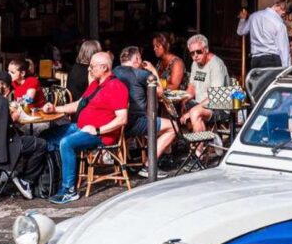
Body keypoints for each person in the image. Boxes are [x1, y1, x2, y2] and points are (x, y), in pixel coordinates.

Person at [42, 51, 129, 205]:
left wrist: (97, 130)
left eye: (92, 66)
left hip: (99, 134)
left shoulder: (117, 87)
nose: (89, 69)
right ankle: (51, 180)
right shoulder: (95, 84)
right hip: (81, 127)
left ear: (104, 68)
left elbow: (122, 119)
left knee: (66, 143)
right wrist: (55, 109)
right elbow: (78, 105)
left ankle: (69, 190)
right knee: (45, 137)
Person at [0, 72, 47, 200]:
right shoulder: (0, 101)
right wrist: (13, 117)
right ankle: (25, 180)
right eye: (8, 87)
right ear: (3, 85)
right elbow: (3, 129)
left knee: (24, 135)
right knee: (41, 144)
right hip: (4, 149)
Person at [113, 47, 177, 175]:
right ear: (137, 59)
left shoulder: (114, 71)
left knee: (154, 122)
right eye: (140, 58)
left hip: (115, 122)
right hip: (134, 122)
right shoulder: (140, 74)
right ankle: (149, 166)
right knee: (173, 127)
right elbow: (159, 92)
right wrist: (153, 70)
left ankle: (124, 162)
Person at [182, 34, 230, 134]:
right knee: (172, 106)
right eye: (192, 53)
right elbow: (191, 88)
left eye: (198, 52)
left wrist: (192, 111)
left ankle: (199, 148)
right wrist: (182, 101)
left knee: (195, 112)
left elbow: (214, 96)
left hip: (218, 105)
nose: (195, 56)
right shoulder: (195, 63)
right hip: (200, 102)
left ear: (206, 49)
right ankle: (178, 143)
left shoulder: (216, 65)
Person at [237, 0, 292, 68]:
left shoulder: (254, 16)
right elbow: (284, 51)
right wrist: (286, 71)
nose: (283, 17)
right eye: (284, 15)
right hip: (272, 61)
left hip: (255, 60)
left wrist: (242, 19)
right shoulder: (279, 24)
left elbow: (240, 31)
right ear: (282, 10)